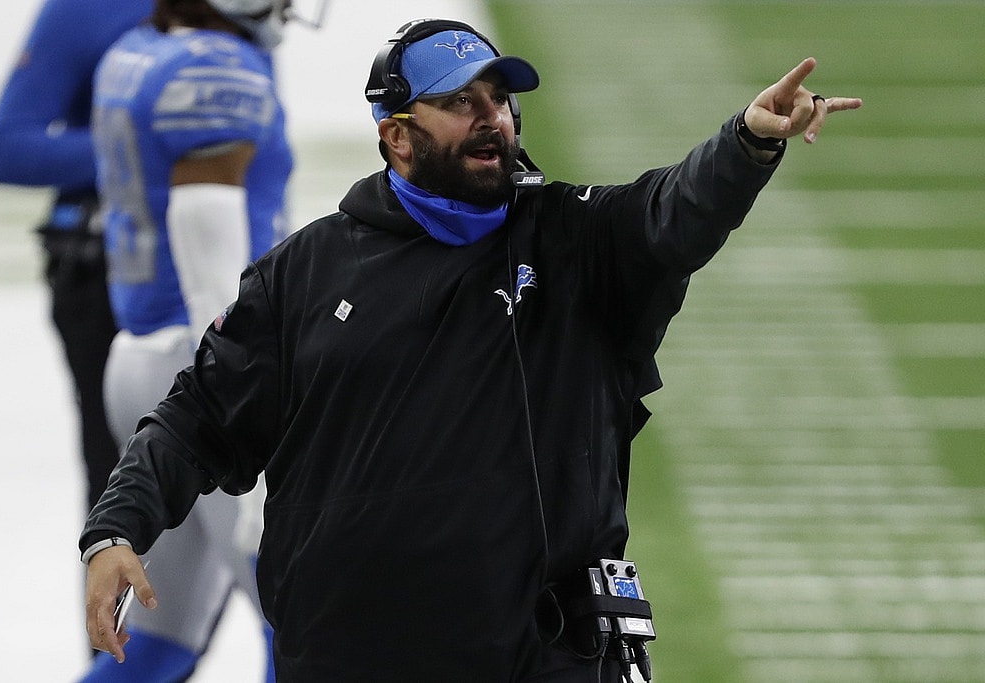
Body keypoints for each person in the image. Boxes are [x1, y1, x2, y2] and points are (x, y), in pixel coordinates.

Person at [80, 17, 862, 683]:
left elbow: (675, 209)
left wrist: (749, 142)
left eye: (501, 99)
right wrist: (117, 530)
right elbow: (195, 420)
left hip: (542, 652)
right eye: (460, 103)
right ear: (398, 136)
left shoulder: (577, 242)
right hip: (350, 655)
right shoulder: (307, 272)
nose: (493, 118)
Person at [76, 0, 295, 681]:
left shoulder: (137, 51)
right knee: (298, 627)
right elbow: (207, 233)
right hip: (204, 365)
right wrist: (239, 396)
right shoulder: (217, 68)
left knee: (158, 643)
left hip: (141, 349)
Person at [0, 0, 151, 524]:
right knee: (124, 483)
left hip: (229, 271)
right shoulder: (85, 8)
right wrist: (153, 147)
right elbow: (6, 149)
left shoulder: (247, 13)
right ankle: (118, 605)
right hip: (104, 275)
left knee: (254, 485)